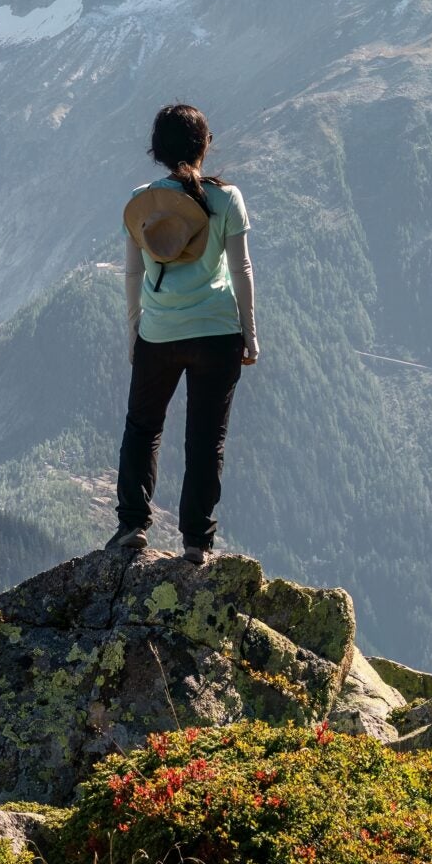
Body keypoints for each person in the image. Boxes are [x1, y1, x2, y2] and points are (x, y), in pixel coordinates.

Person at [109, 103, 258, 567]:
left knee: (143, 428)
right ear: (205, 144)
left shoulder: (140, 203)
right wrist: (250, 334)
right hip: (217, 331)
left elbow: (133, 275)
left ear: (156, 150)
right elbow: (241, 270)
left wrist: (135, 331)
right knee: (205, 439)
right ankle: (197, 542)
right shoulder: (226, 198)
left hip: (160, 331)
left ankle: (133, 525)